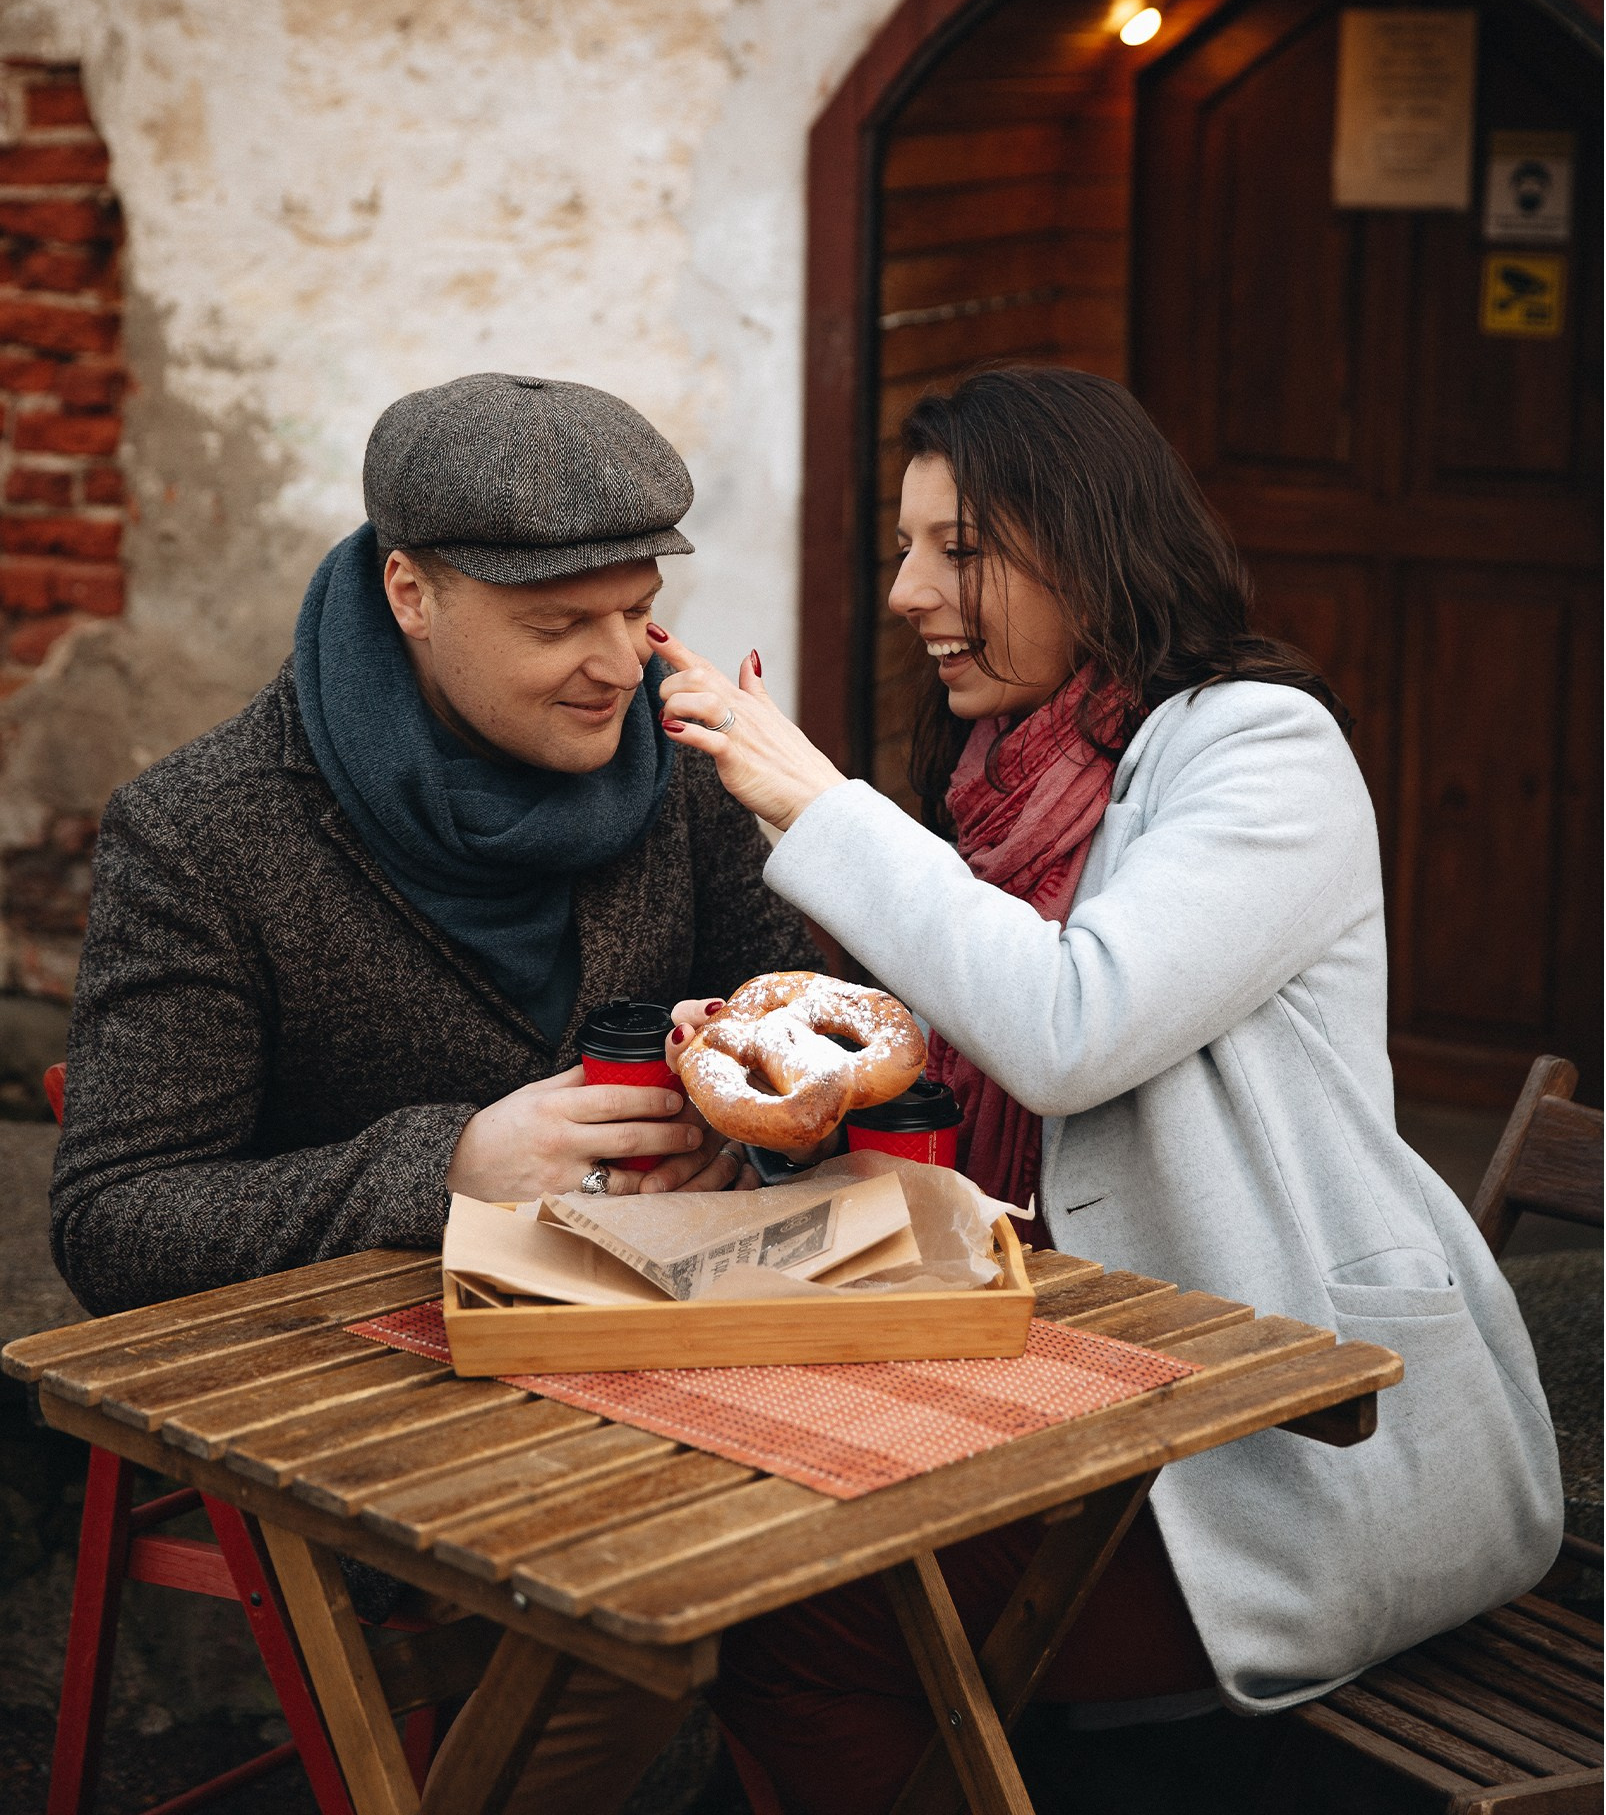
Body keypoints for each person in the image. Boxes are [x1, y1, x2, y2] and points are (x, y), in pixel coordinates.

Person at [649, 365, 1564, 1813]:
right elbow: (974, 1078)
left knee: (795, 1622)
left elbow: (1072, 1023)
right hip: (1044, 1376)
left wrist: (811, 802)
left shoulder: (1261, 750)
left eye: (958, 550)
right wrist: (804, 1080)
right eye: (903, 547)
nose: (905, 592)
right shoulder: (992, 778)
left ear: (1086, 548)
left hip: (1270, 1438)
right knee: (706, 1511)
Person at [51, 370, 817, 1814]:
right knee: (663, 1598)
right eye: (554, 626)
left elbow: (780, 1022)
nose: (617, 663)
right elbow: (113, 1226)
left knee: (918, 1522)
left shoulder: (680, 765)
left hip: (675, 1350)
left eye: (633, 607)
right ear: (409, 590)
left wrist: (733, 1130)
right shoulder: (203, 833)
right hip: (373, 1392)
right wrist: (450, 1166)